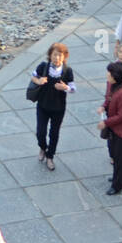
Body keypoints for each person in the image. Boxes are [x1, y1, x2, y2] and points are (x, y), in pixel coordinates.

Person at [31, 43, 76, 171]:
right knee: (40, 131)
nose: (57, 58)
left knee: (54, 133)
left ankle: (50, 156)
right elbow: (33, 76)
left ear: (64, 57)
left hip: (58, 108)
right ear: (50, 55)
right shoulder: (43, 67)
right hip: (43, 106)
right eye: (54, 55)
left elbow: (73, 88)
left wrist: (65, 87)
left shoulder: (67, 71)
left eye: (59, 55)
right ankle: (43, 147)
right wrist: (38, 81)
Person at [98, 61, 122, 195]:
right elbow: (108, 99)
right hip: (118, 129)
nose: (107, 74)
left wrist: (106, 122)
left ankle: (117, 184)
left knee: (119, 157)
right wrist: (104, 106)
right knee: (120, 156)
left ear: (114, 76)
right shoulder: (114, 87)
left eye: (109, 72)